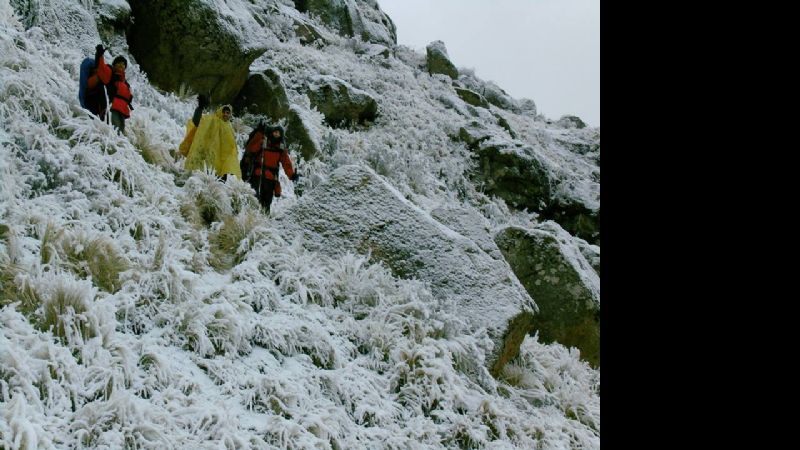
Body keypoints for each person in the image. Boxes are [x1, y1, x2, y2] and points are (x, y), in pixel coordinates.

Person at [182, 95, 241, 181]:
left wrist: (230, 166)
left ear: (230, 115)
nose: (225, 114)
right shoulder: (213, 120)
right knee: (202, 178)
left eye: (228, 113)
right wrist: (200, 108)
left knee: (218, 183)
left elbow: (232, 148)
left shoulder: (230, 129)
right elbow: (197, 122)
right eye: (224, 112)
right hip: (208, 157)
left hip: (221, 162)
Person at [244, 125, 298, 213]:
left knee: (267, 201)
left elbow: (286, 163)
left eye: (279, 133)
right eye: (275, 132)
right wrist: (259, 134)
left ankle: (264, 218)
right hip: (258, 175)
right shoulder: (264, 142)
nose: (276, 134)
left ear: (281, 135)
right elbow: (252, 149)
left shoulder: (281, 148)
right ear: (272, 132)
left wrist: (291, 175)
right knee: (255, 198)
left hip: (270, 178)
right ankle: (253, 217)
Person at [81, 45, 133, 132]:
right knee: (115, 131)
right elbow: (102, 69)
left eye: (123, 64)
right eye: (119, 63)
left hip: (122, 111)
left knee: (120, 132)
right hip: (111, 108)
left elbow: (129, 97)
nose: (121, 65)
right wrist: (99, 55)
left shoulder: (125, 82)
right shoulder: (111, 73)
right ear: (114, 65)